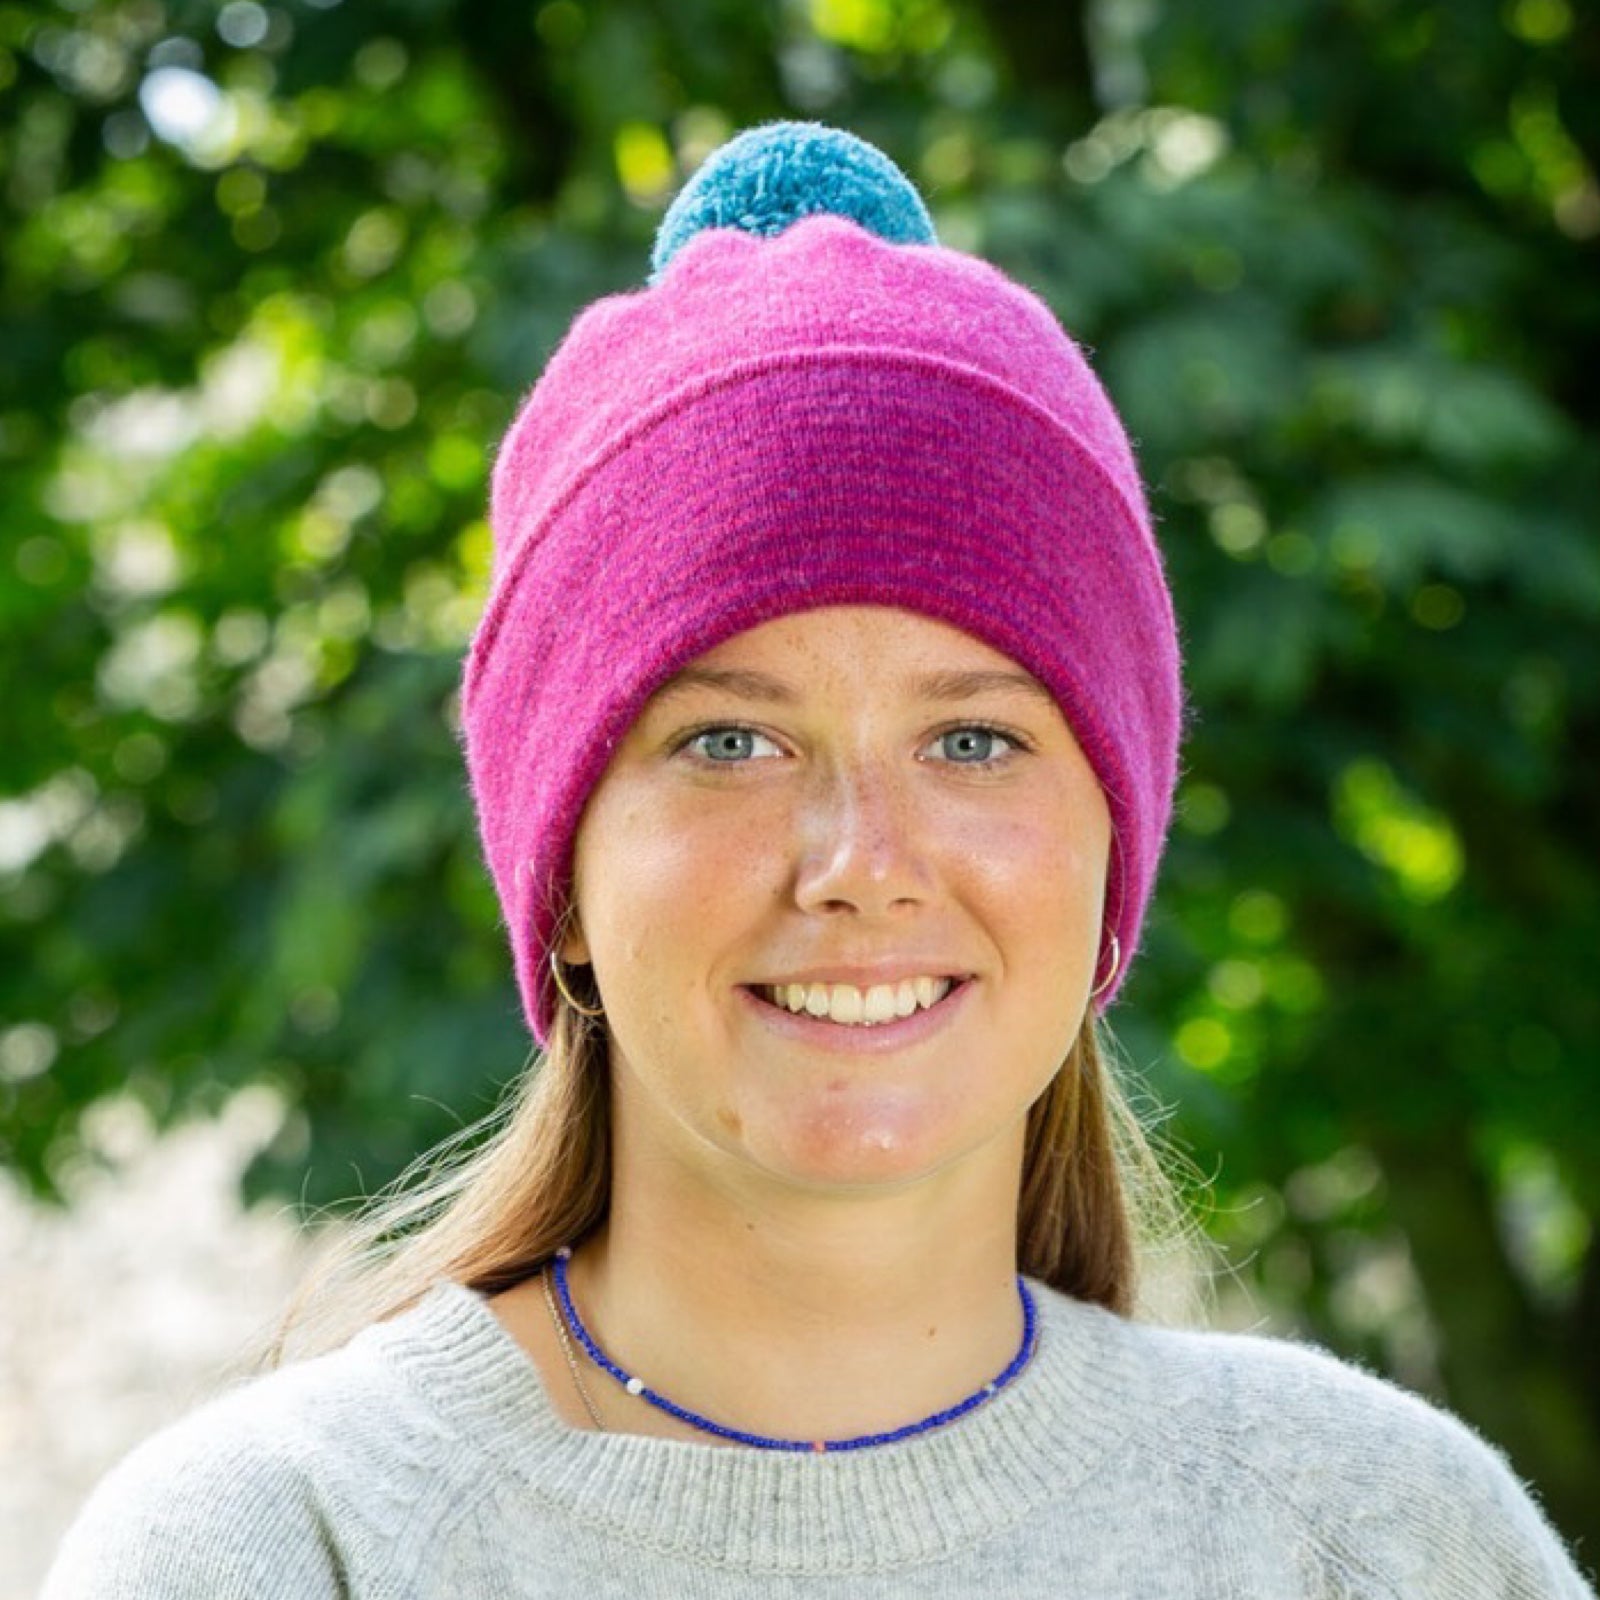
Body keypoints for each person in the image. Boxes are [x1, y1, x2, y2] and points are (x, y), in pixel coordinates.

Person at [43, 120, 1595, 1599]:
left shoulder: (1376, 1542)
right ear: (561, 876)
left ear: (1109, 870)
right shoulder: (276, 1549)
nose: (862, 863)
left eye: (975, 741)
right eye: (730, 742)